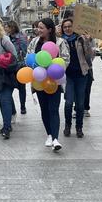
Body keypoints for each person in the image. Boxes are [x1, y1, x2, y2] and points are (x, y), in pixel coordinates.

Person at [27, 18, 69, 150]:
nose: (38, 30)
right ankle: (49, 135)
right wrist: (35, 67)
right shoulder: (34, 42)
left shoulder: (60, 42)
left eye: (41, 28)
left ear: (49, 29)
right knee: (44, 109)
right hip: (39, 80)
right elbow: (28, 57)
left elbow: (66, 59)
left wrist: (54, 68)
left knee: (53, 109)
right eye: (37, 28)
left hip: (54, 80)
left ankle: (56, 138)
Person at [60, 18, 93, 138]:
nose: (68, 29)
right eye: (65, 27)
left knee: (80, 104)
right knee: (68, 102)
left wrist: (88, 42)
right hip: (67, 76)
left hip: (81, 74)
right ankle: (67, 125)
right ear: (62, 29)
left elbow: (90, 56)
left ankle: (79, 127)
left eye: (70, 26)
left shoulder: (81, 38)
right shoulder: (60, 41)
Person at [6, 20, 28, 115]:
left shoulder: (21, 38)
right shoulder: (6, 38)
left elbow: (24, 52)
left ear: (12, 28)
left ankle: (23, 106)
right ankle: (12, 108)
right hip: (10, 66)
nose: (6, 29)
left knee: (21, 88)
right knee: (8, 88)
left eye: (7, 27)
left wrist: (22, 63)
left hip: (19, 66)